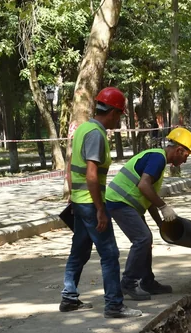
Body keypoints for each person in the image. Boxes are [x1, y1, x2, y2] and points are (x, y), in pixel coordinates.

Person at [61, 87, 141, 319]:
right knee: (109, 254)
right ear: (114, 112)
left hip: (80, 201)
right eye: (120, 115)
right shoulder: (96, 134)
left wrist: (73, 196)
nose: (119, 120)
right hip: (89, 203)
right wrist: (100, 210)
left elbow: (69, 167)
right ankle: (114, 305)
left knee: (79, 251)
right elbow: (92, 174)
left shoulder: (83, 129)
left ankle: (69, 298)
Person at [105, 127, 191, 300]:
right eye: (186, 156)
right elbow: (143, 186)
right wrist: (164, 207)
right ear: (179, 150)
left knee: (146, 239)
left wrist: (160, 222)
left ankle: (147, 282)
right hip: (120, 201)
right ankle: (128, 283)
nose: (185, 160)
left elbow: (149, 196)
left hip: (127, 203)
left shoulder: (158, 159)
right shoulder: (157, 158)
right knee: (142, 238)